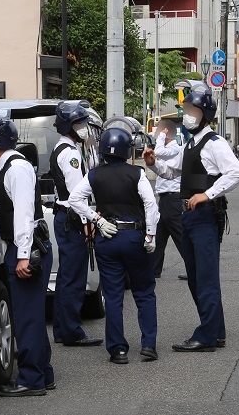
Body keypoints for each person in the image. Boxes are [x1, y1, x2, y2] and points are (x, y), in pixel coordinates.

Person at [142, 90, 239, 352]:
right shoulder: (189, 144)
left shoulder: (214, 143)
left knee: (205, 277)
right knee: (196, 277)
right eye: (186, 111)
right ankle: (215, 330)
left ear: (205, 115)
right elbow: (172, 170)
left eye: (192, 111)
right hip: (187, 214)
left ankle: (207, 335)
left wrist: (207, 195)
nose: (187, 116)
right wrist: (153, 164)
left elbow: (236, 173)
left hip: (204, 217)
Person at [68, 127, 160, 365]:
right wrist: (150, 235)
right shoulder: (136, 173)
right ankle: (148, 345)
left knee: (113, 296)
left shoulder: (94, 175)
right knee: (144, 292)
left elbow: (74, 199)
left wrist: (96, 219)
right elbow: (150, 205)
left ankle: (118, 350)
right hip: (134, 237)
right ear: (127, 150)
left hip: (107, 238)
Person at [0, 120, 55, 396]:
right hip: (27, 246)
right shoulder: (11, 166)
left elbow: (24, 215)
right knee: (32, 316)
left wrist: (23, 256)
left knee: (26, 317)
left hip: (28, 248)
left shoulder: (15, 169)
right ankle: (43, 373)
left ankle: (30, 379)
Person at [50, 102, 103, 347]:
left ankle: (63, 328)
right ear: (69, 126)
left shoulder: (61, 147)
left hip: (65, 217)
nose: (83, 128)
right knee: (73, 277)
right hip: (73, 218)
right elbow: (76, 194)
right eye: (79, 123)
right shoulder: (70, 153)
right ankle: (72, 331)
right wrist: (87, 221)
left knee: (65, 276)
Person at [151, 119, 186, 280]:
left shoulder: (174, 149)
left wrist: (161, 136)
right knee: (159, 236)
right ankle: (154, 270)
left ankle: (193, 267)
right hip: (165, 199)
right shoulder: (169, 149)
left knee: (180, 236)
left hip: (173, 198)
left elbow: (157, 151)